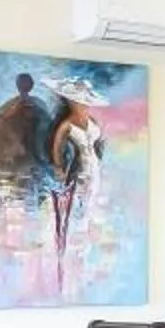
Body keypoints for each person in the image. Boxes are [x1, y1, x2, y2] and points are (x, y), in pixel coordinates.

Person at [46, 77, 108, 258]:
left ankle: (84, 246)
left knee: (92, 203)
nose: (83, 105)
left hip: (94, 167)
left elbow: (99, 145)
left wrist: (99, 156)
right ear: (71, 102)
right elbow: (56, 148)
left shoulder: (92, 122)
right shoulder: (66, 125)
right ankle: (72, 245)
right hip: (79, 170)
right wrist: (59, 168)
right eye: (79, 102)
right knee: (78, 205)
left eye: (84, 101)